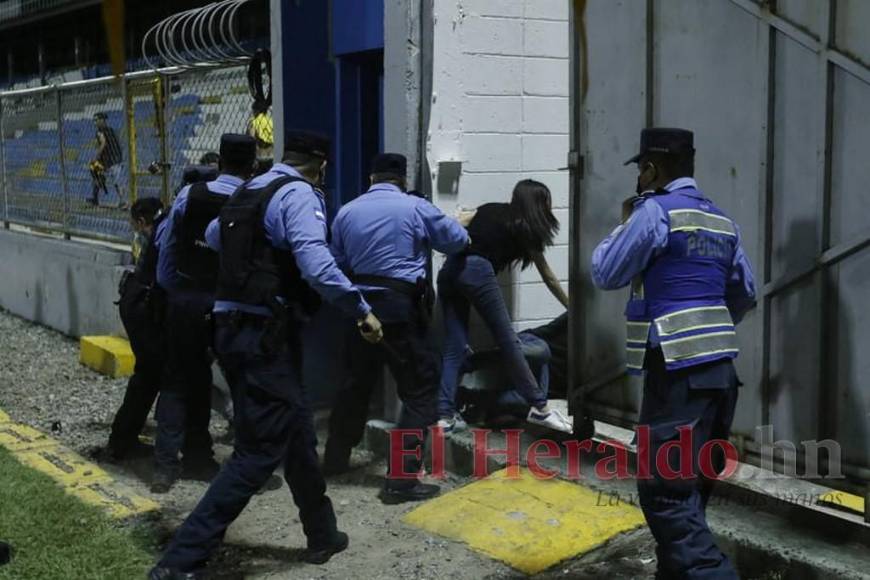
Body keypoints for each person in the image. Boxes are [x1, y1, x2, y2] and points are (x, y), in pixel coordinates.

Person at [149, 131, 383, 578]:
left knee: (295, 430)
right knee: (256, 453)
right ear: (322, 165)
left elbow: (217, 238)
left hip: (232, 327)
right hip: (264, 334)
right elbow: (315, 260)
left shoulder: (247, 189)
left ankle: (322, 534)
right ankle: (179, 562)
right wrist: (360, 309)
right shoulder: (298, 194)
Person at [591, 127, 755, 580]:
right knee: (691, 489)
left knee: (665, 492)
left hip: (677, 371)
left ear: (650, 169)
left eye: (640, 171)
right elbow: (745, 293)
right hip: (721, 374)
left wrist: (626, 220)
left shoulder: (653, 214)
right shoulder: (722, 221)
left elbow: (605, 271)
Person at [324, 153, 469, 502]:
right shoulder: (414, 207)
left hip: (359, 309)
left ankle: (334, 460)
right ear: (402, 180)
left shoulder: (347, 211)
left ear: (371, 177)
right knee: (421, 392)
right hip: (401, 310)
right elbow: (457, 241)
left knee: (355, 385)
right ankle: (401, 481)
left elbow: (336, 261)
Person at [150, 134, 257, 494]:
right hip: (232, 306)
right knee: (242, 384)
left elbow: (167, 249)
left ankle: (166, 466)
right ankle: (245, 467)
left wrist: (174, 290)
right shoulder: (254, 199)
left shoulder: (189, 194)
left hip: (186, 298)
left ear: (220, 161)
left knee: (178, 381)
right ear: (252, 165)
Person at [436, 179, 572, 433]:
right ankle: (540, 407)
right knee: (509, 341)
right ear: (538, 203)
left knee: (454, 346)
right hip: (476, 269)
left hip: (449, 270)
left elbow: (459, 223)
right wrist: (571, 306)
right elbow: (549, 276)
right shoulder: (524, 227)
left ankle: (444, 417)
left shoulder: (488, 209)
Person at [102, 197, 166, 461]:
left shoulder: (161, 229)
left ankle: (123, 440)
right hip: (141, 303)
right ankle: (121, 442)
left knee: (151, 374)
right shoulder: (164, 228)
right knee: (150, 373)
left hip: (138, 300)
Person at [88, 112, 125, 207]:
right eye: (94, 120)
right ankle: (122, 201)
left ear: (102, 120)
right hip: (115, 158)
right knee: (117, 181)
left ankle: (96, 197)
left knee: (94, 169)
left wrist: (96, 158)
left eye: (96, 120)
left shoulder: (99, 132)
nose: (95, 123)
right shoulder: (111, 130)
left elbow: (103, 143)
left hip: (109, 160)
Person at [247, 101, 274, 165]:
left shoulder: (254, 122)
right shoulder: (270, 121)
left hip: (260, 155)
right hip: (272, 153)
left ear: (256, 111)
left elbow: (252, 138)